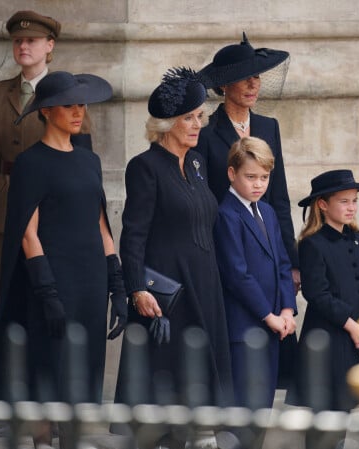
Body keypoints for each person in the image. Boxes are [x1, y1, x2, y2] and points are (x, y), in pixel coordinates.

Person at [0, 71, 126, 448]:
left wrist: (116, 282)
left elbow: (101, 222)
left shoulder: (89, 160)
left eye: (81, 104)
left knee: (82, 370)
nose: (78, 112)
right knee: (49, 368)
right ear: (46, 111)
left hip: (91, 280)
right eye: (68, 105)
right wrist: (46, 290)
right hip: (53, 280)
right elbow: (27, 232)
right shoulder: (30, 163)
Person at [114, 68, 233, 425]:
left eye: (200, 116)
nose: (198, 124)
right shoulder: (144, 167)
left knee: (203, 382)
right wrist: (136, 289)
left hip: (205, 282)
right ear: (167, 124)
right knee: (169, 384)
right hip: (168, 290)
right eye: (189, 118)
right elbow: (133, 234)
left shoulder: (197, 163)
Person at [196, 32, 300, 389]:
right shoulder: (207, 134)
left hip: (269, 243)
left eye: (256, 76)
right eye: (244, 77)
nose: (253, 84)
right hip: (228, 244)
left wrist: (292, 258)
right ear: (224, 85)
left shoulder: (269, 126)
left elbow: (280, 198)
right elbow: (206, 197)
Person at [0, 10, 92, 318]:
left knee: (43, 301)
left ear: (50, 45)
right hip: (3, 208)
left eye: (31, 40)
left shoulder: (70, 94)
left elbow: (82, 163)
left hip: (50, 211)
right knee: (3, 305)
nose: (23, 46)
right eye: (17, 41)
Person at [214, 136, 297, 409]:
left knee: (263, 407)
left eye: (264, 177)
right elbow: (237, 275)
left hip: (273, 326)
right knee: (243, 409)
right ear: (231, 173)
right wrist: (269, 315)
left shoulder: (269, 212)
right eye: (251, 177)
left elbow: (283, 264)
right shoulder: (226, 215)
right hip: (243, 328)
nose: (259, 184)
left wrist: (286, 310)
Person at [289, 169, 359, 411]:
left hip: (358, 338)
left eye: (355, 201)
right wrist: (353, 326)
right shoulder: (312, 243)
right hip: (328, 338)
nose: (352, 207)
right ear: (323, 204)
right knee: (326, 416)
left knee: (350, 411)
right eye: (344, 201)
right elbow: (317, 294)